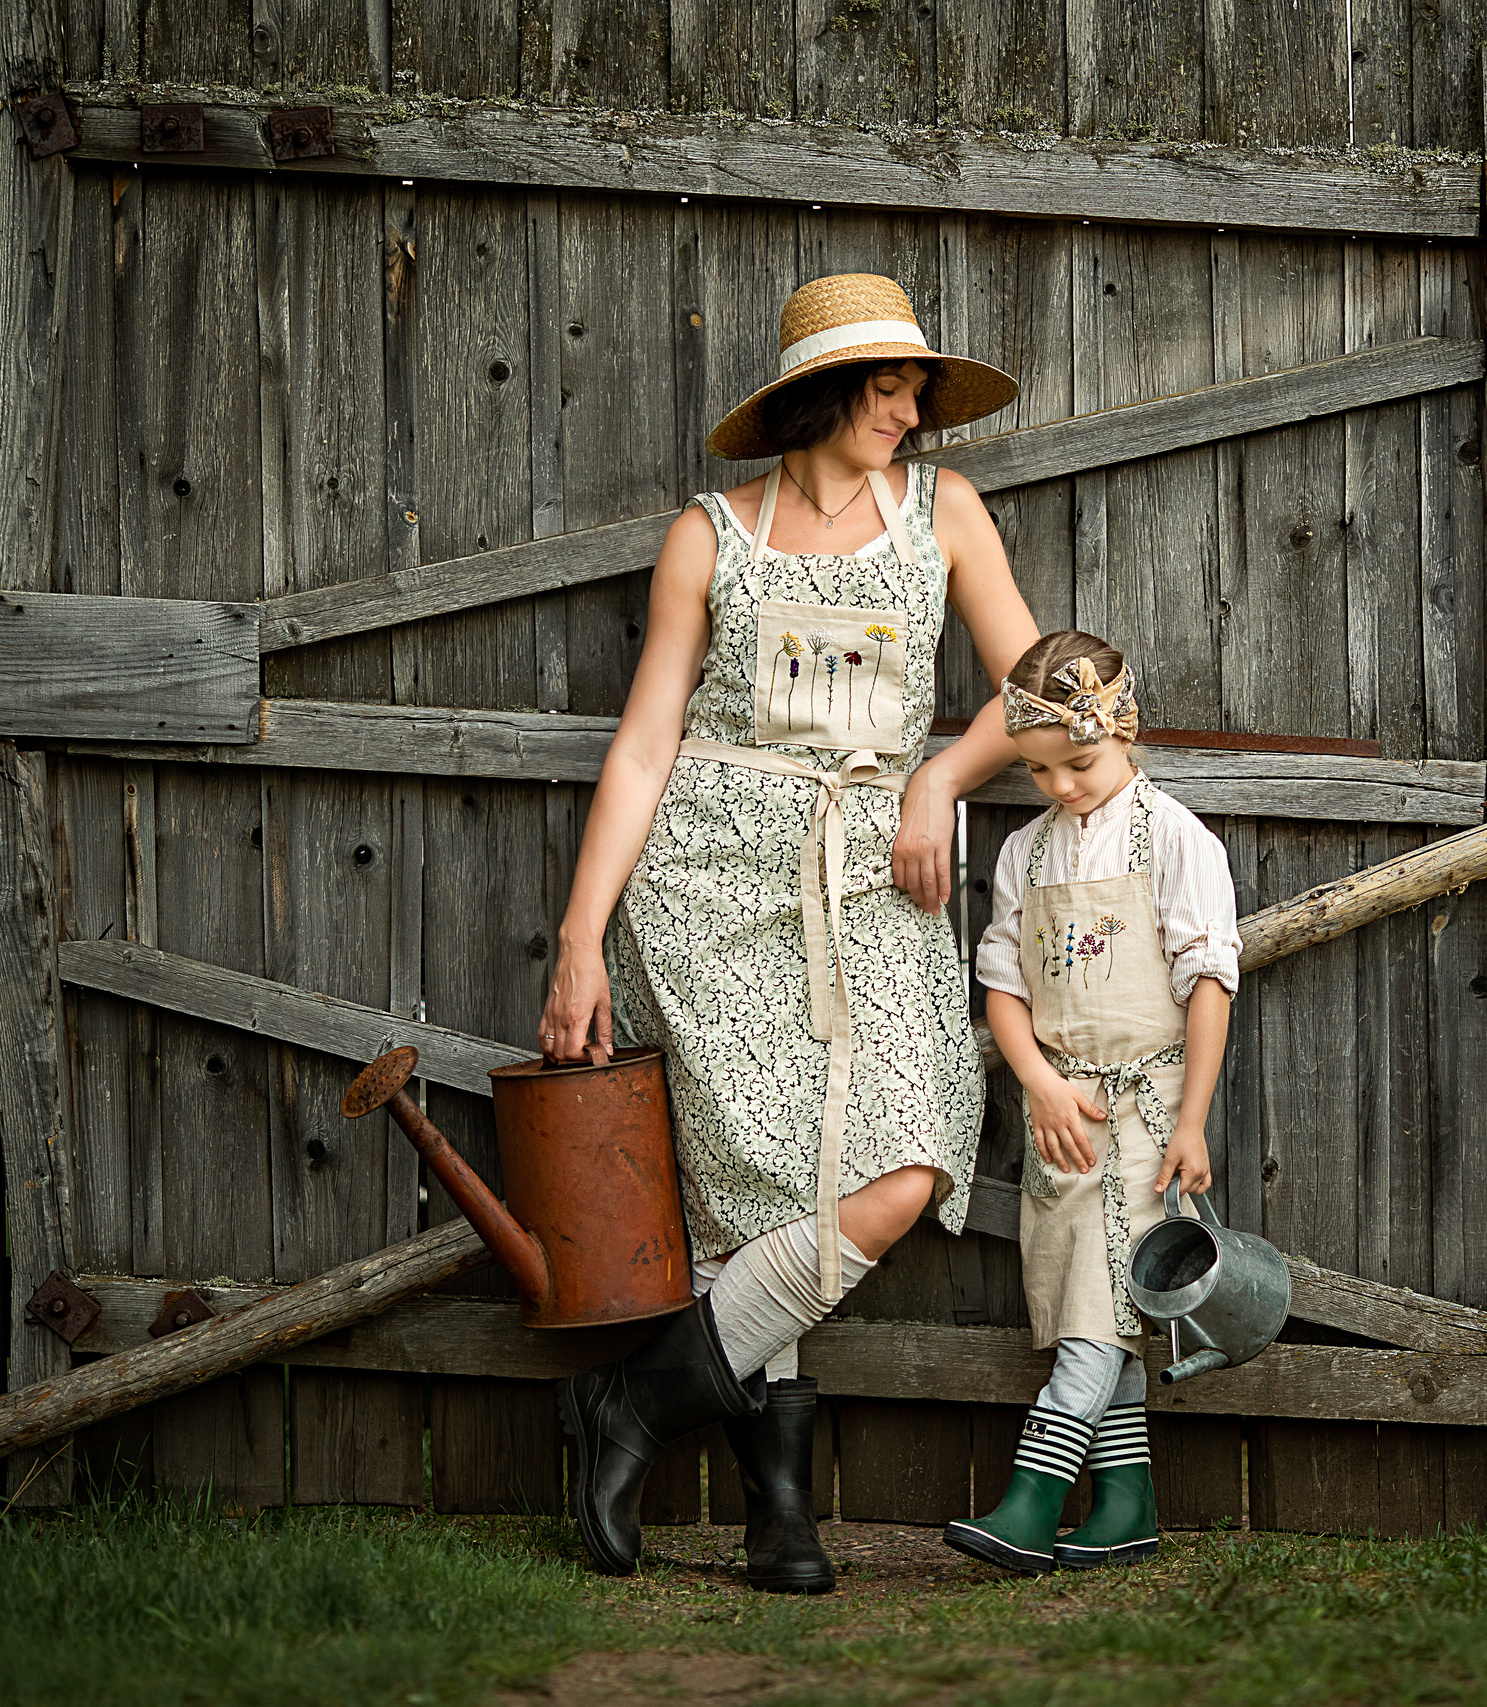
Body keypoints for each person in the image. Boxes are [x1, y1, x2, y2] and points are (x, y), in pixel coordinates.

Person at [536, 274, 1040, 1591]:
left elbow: (1038, 689)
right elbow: (646, 745)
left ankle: (634, 1399)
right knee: (753, 1186)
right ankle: (783, 1513)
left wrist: (936, 778)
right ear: (815, 393)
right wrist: (583, 935)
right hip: (708, 878)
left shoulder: (946, 512)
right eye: (883, 382)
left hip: (877, 872)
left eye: (914, 382)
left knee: (913, 1154)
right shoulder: (712, 535)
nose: (909, 403)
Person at [944, 631, 1242, 1574]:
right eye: (1037, 771)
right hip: (1062, 1118)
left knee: (1096, 1313)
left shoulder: (1176, 840)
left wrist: (1190, 1118)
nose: (1060, 786)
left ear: (1123, 734)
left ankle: (1031, 1502)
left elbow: (1210, 984)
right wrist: (1036, 1080)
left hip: (1146, 1113)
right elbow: (1002, 983)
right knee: (1088, 1304)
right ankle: (1124, 1504)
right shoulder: (1025, 855)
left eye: (1078, 763)